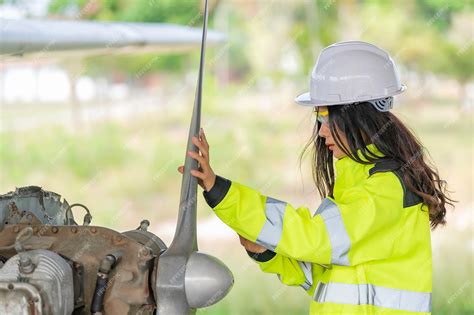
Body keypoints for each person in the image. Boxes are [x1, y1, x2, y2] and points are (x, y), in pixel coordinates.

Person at [177, 41, 454, 314]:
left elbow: (314, 239)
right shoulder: (358, 184)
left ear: (357, 116)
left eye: (326, 119)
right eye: (318, 120)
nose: (321, 132)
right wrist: (267, 252)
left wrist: (221, 192)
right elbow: (324, 274)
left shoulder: (385, 189)